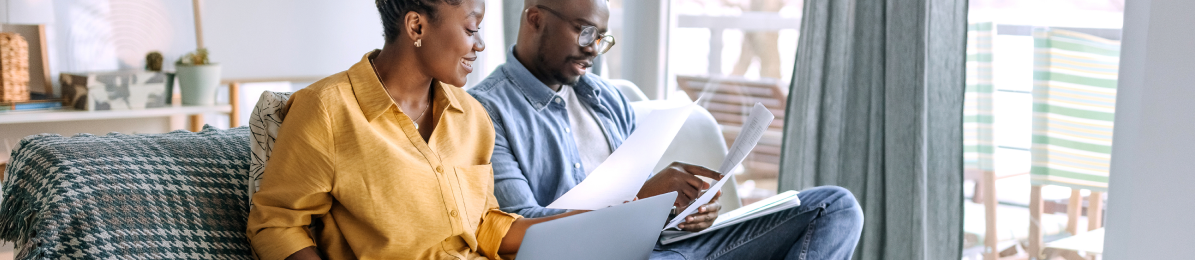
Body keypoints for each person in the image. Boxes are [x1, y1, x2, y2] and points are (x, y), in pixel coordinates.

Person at [465, 0, 866, 259]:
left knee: (834, 206)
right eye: (585, 32)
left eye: (601, 39)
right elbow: (519, 230)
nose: (592, 49)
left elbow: (644, 193)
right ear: (535, 18)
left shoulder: (606, 99)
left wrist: (686, 209)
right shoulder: (487, 110)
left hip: (670, 248)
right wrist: (640, 201)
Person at [246, 0, 605, 259]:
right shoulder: (326, 109)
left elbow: (484, 225)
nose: (479, 45)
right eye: (471, 29)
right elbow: (276, 225)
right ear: (417, 26)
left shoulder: (473, 116)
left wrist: (591, 225)